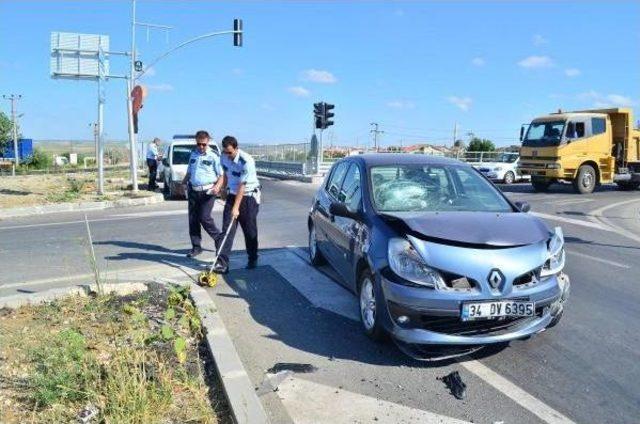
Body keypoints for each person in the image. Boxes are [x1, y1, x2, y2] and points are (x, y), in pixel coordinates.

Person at [214, 135, 261, 273]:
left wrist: (235, 208)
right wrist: (223, 190)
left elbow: (242, 185)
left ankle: (252, 257)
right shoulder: (223, 156)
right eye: (226, 152)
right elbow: (226, 174)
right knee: (227, 229)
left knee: (249, 230)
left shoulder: (246, 161)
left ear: (236, 148)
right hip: (232, 194)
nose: (228, 155)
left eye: (230, 152)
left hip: (248, 196)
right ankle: (222, 263)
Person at [182, 130, 224, 258]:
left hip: (208, 191)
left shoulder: (214, 155)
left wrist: (217, 187)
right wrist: (184, 183)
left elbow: (222, 175)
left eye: (203, 144)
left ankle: (218, 239)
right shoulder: (193, 154)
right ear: (196, 142)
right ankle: (196, 247)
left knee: (204, 217)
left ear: (208, 142)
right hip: (193, 190)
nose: (201, 147)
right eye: (199, 144)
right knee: (193, 219)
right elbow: (189, 171)